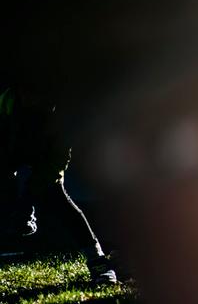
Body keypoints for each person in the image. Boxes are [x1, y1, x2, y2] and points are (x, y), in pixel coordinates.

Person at [0, 84, 117, 284]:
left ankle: (98, 263)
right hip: (11, 150)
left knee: (57, 199)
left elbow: (54, 165)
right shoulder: (8, 101)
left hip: (45, 156)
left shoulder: (64, 118)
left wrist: (28, 197)